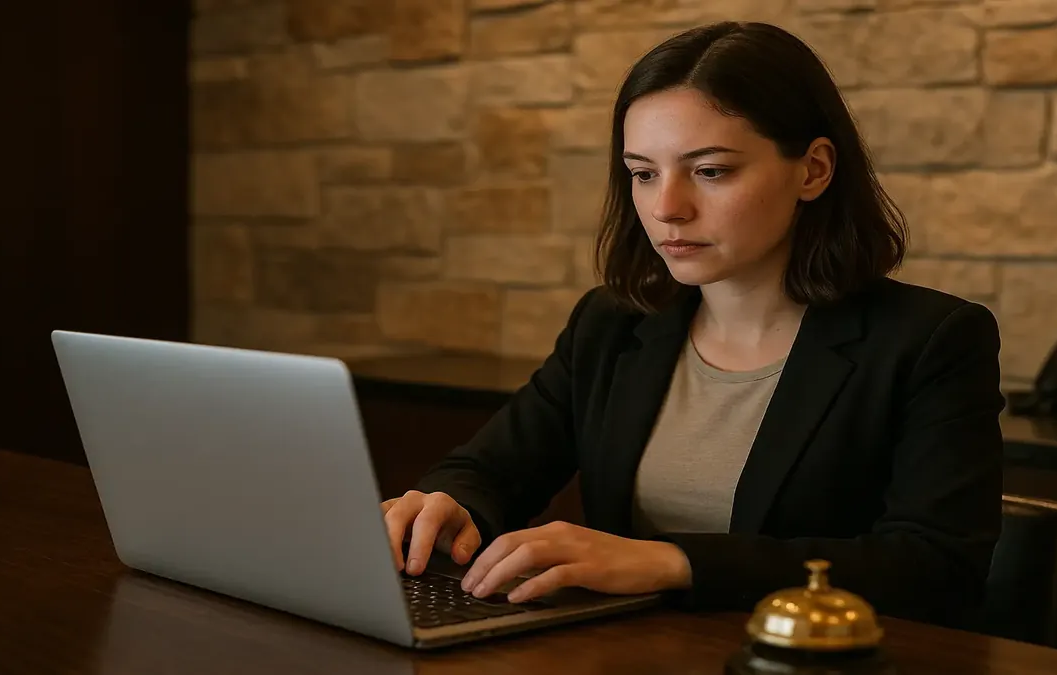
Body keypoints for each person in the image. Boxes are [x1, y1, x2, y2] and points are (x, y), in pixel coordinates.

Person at [380, 20, 1004, 627]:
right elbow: (491, 471)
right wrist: (447, 505)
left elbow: (935, 569)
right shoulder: (612, 323)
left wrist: (673, 563)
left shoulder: (931, 339)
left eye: (710, 171)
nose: (666, 208)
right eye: (643, 173)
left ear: (813, 170)